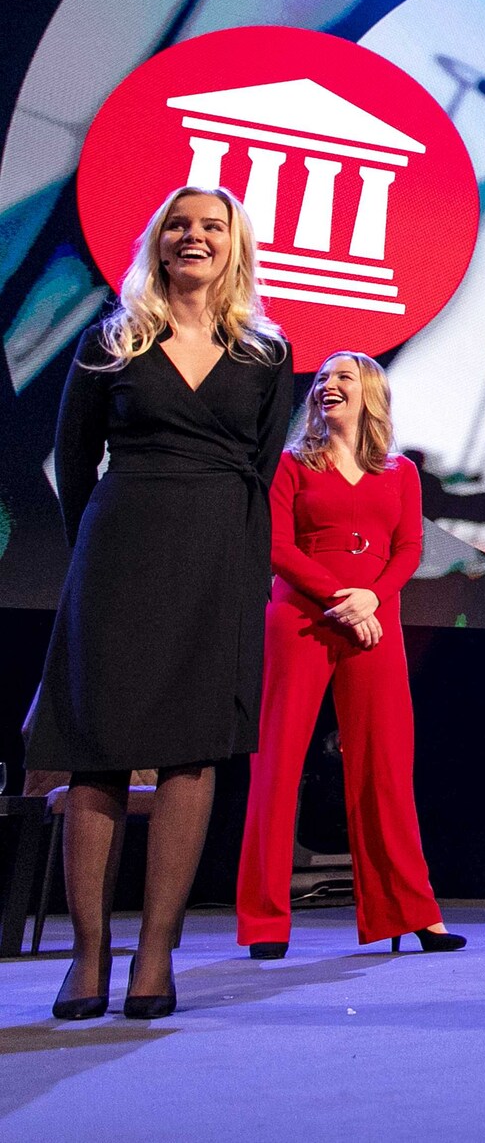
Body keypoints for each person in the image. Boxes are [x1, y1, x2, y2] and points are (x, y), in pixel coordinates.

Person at [24, 186, 291, 1020]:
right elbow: (74, 462)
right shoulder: (113, 337)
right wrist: (100, 549)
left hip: (219, 555)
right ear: (159, 242)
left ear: (235, 245)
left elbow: (260, 467)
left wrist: (241, 568)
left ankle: (155, 953)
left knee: (191, 750)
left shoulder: (266, 352)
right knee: (95, 747)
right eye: (180, 224)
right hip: (118, 549)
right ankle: (89, 954)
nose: (194, 236)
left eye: (212, 225)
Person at [236, 351, 465, 959]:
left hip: (375, 622)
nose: (328, 385)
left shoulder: (400, 473)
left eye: (343, 377)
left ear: (370, 394)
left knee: (385, 767)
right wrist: (343, 597)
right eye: (324, 378)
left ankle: (413, 912)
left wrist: (373, 599)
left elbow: (409, 550)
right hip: (302, 618)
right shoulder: (292, 465)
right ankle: (265, 922)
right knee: (277, 764)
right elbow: (277, 547)